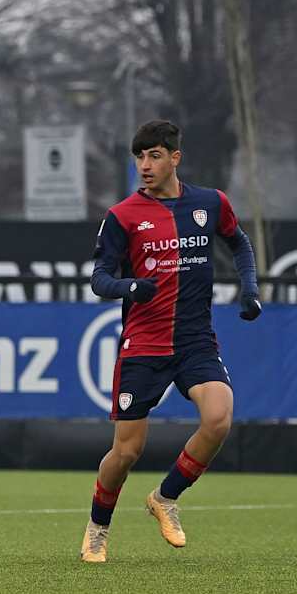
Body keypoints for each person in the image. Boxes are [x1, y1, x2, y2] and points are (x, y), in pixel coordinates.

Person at [79, 119, 262, 564]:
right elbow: (99, 279)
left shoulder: (210, 203)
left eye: (154, 155)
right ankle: (97, 528)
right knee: (127, 451)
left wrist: (250, 288)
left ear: (175, 158)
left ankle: (165, 498)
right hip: (143, 345)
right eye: (139, 156)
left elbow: (239, 245)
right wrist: (130, 288)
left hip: (196, 340)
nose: (145, 165)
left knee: (218, 419)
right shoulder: (122, 216)